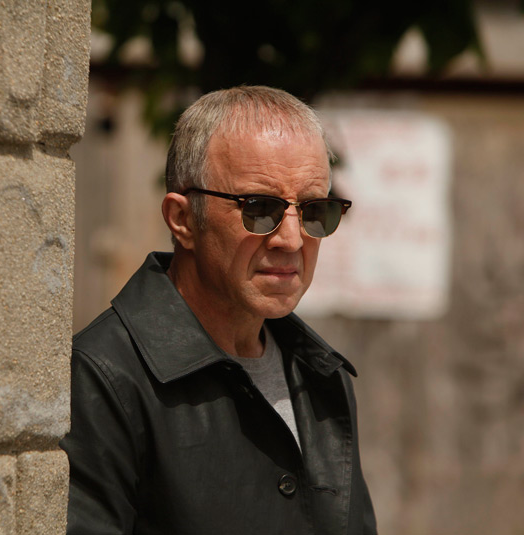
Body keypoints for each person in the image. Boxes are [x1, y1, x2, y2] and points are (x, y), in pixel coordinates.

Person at [61, 86, 377, 535]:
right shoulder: (102, 379)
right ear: (183, 220)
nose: (291, 239)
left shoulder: (322, 376)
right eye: (259, 208)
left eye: (314, 211)